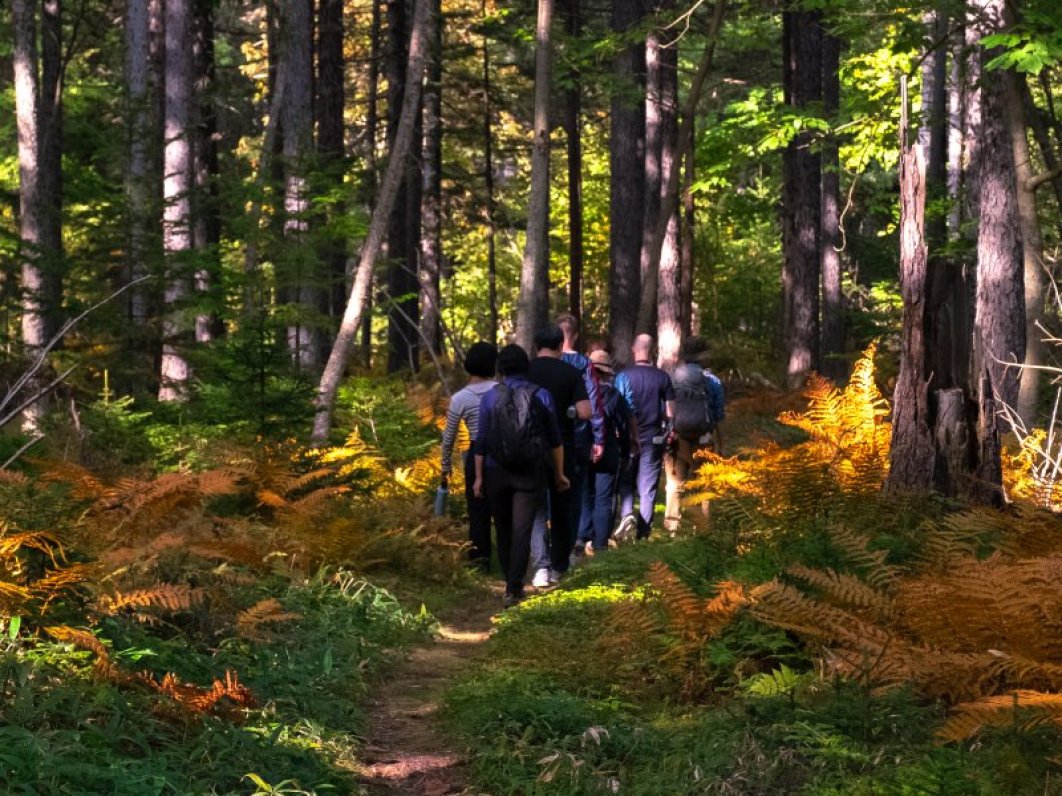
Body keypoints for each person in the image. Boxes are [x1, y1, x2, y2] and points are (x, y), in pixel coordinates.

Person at [473, 345, 567, 607]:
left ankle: (509, 581)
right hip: (529, 471)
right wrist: (559, 474)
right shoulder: (542, 395)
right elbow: (555, 440)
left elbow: (480, 441)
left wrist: (479, 478)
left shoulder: (490, 398)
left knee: (503, 529)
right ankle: (514, 588)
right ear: (526, 367)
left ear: (500, 368)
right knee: (522, 530)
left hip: (495, 471)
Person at [527, 324, 591, 586]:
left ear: (535, 345)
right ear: (560, 346)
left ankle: (540, 566)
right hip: (564, 445)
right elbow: (586, 412)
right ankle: (559, 565)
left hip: (529, 446)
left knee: (537, 507)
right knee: (564, 505)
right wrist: (568, 412)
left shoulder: (525, 370)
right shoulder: (571, 372)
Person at [440, 342, 498, 570]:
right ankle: (510, 558)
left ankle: (480, 562)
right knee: (504, 509)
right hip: (501, 453)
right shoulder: (501, 390)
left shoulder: (459, 398)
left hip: (475, 455)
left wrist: (445, 467)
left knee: (477, 511)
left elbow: (448, 437)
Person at [554, 313, 605, 564]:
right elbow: (593, 401)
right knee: (579, 488)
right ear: (575, 335)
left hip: (551, 433)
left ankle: (550, 539)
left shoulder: (548, 362)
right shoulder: (585, 364)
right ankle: (575, 539)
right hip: (579, 435)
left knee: (551, 486)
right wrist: (598, 437)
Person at [614, 334, 674, 539]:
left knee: (626, 479)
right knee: (647, 487)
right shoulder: (662, 377)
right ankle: (643, 533)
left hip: (627, 437)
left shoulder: (622, 376)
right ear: (653, 350)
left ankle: (627, 514)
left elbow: (616, 407)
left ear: (633, 349)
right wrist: (669, 434)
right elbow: (670, 412)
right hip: (652, 438)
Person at [664, 336, 726, 532]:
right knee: (704, 482)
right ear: (703, 356)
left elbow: (667, 409)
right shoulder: (712, 381)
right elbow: (718, 415)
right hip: (704, 438)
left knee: (675, 484)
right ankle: (704, 527)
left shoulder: (673, 377)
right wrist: (722, 444)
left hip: (678, 437)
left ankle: (672, 527)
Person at [580, 349, 636, 554]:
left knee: (585, 494)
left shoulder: (582, 393)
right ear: (606, 373)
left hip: (584, 449)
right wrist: (626, 452)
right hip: (609, 451)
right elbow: (623, 428)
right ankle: (600, 542)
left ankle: (581, 537)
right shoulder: (615, 396)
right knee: (604, 497)